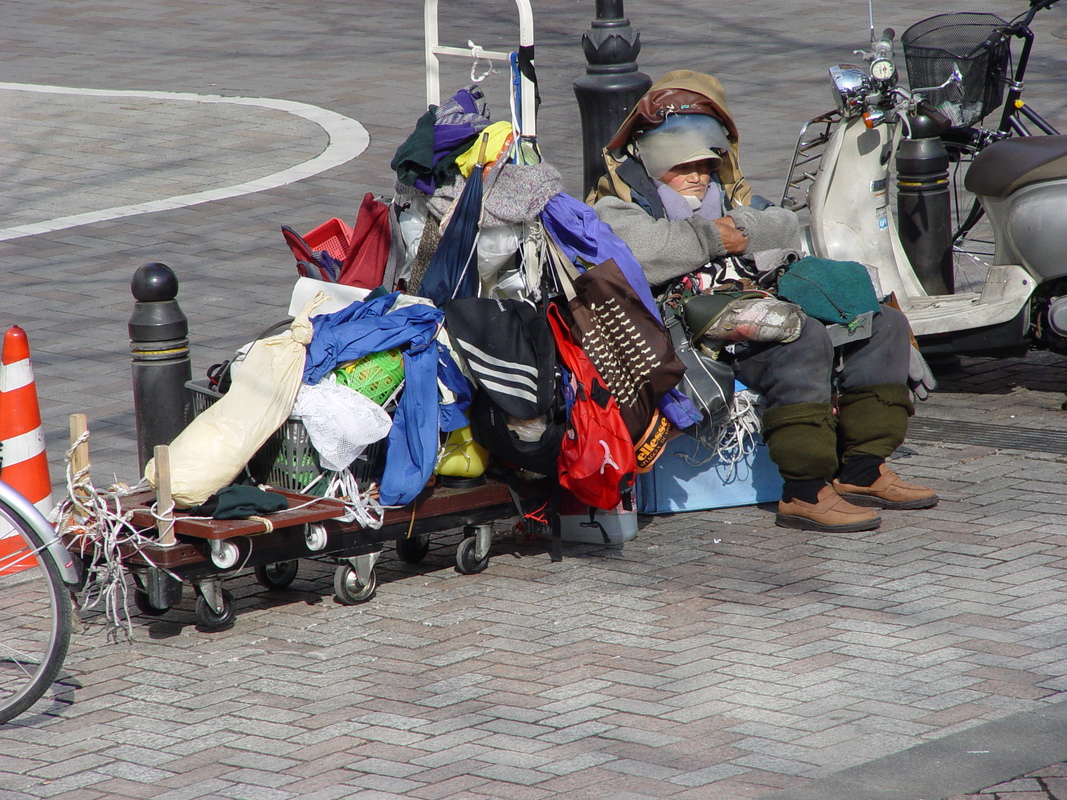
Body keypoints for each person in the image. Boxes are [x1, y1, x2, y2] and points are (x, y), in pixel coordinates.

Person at [591, 70, 937, 533]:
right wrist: (716, 236)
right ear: (651, 161)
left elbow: (783, 226)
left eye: (706, 164)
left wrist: (741, 231)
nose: (698, 176)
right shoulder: (616, 206)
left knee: (882, 325)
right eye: (683, 165)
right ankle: (805, 489)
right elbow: (644, 251)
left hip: (755, 304)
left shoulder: (730, 196)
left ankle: (862, 469)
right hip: (692, 335)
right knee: (800, 339)